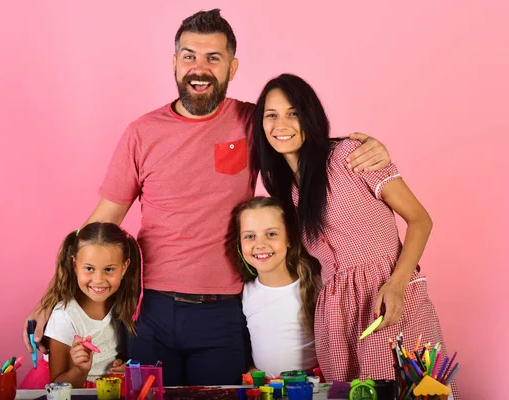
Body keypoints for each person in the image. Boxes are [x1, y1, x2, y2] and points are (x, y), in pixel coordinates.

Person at [23, 9, 391, 386]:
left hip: (224, 312)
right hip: (152, 309)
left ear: (232, 68)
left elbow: (298, 134)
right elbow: (101, 223)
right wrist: (55, 293)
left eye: (213, 58)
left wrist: (354, 146)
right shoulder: (141, 133)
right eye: (189, 56)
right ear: (174, 63)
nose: (199, 68)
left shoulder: (253, 121)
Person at [252, 73, 459, 397]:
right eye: (272, 115)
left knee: (418, 392)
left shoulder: (350, 156)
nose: (282, 124)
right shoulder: (286, 193)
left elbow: (420, 220)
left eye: (293, 113)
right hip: (336, 319)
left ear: (310, 115)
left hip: (388, 298)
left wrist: (396, 284)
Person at [20, 222, 142, 389]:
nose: (98, 279)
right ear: (75, 265)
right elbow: (57, 385)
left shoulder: (123, 304)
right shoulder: (65, 316)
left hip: (105, 390)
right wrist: (80, 369)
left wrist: (122, 368)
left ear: (124, 267)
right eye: (89, 268)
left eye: (109, 270)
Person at [227, 196, 321, 378]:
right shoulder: (243, 294)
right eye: (249, 236)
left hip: (311, 388)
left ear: (289, 239)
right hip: (266, 390)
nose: (260, 244)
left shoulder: (316, 285)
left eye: (271, 234)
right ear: (239, 243)